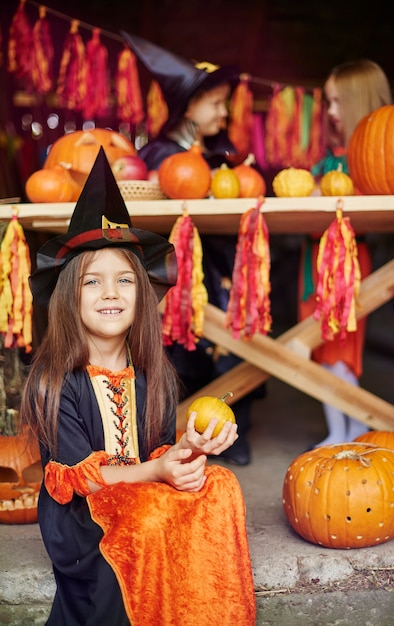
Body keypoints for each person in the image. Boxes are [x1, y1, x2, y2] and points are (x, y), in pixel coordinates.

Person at [19, 148, 256, 626]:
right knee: (145, 521)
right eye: (94, 282)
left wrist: (188, 452)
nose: (111, 293)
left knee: (221, 486)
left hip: (143, 487)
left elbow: (157, 455)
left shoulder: (154, 376)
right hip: (83, 519)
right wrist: (158, 473)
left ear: (142, 295)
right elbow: (77, 480)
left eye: (125, 280)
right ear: (69, 296)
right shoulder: (54, 381)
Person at [122, 32, 257, 465]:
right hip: (177, 276)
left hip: (220, 271)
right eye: (215, 102)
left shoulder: (222, 153)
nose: (223, 111)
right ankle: (176, 435)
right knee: (181, 354)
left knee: (228, 349)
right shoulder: (160, 156)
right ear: (189, 108)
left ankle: (231, 431)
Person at [299, 59, 393, 447]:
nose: (331, 112)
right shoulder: (329, 159)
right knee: (320, 348)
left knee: (340, 350)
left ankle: (346, 429)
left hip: (345, 264)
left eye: (338, 102)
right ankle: (345, 428)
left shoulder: (371, 163)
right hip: (314, 261)